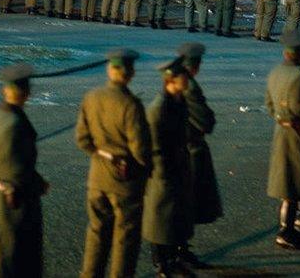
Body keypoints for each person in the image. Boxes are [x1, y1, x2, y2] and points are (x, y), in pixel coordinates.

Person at [75, 49, 152, 278]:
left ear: (109, 70)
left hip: (98, 178)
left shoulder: (92, 97)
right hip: (125, 182)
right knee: (125, 238)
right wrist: (147, 169)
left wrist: (102, 155)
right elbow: (139, 149)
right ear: (130, 74)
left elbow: (82, 139)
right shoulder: (131, 104)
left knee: (97, 232)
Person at [0, 64, 49, 278]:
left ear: (5, 90)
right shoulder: (15, 123)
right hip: (15, 202)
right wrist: (37, 184)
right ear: (27, 93)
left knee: (2, 254)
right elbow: (18, 170)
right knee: (16, 257)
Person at [143, 56, 195, 276]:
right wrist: (163, 172)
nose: (188, 80)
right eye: (183, 76)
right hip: (161, 171)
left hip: (177, 166)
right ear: (171, 80)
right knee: (159, 218)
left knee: (173, 216)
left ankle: (173, 259)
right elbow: (153, 144)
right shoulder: (159, 108)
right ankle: (161, 264)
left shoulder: (178, 101)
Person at [265, 31, 300, 250]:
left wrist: (280, 117)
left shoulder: (275, 72)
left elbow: (269, 104)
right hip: (297, 131)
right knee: (294, 181)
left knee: (286, 179)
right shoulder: (299, 74)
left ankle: (288, 229)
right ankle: (286, 231)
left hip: (281, 130)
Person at [176, 42, 222, 267]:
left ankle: (179, 248)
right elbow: (205, 120)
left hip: (183, 147)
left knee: (185, 200)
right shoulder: (190, 87)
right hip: (191, 148)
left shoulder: (177, 82)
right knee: (189, 201)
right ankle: (180, 249)